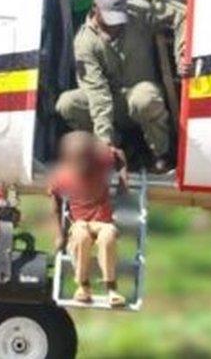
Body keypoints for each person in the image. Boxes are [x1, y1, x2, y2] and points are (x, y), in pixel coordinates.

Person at [56, 0, 188, 173]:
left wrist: (181, 53)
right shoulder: (84, 43)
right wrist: (105, 143)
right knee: (66, 104)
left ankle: (161, 153)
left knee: (145, 98)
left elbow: (181, 13)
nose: (115, 25)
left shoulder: (137, 10)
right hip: (111, 103)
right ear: (95, 9)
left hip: (141, 93)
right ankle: (122, 148)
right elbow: (97, 94)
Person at [48, 131, 129, 306]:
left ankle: (111, 287)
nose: (84, 165)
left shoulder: (103, 161)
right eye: (78, 160)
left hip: (103, 223)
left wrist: (123, 180)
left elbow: (120, 155)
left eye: (87, 158)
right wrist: (60, 234)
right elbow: (55, 203)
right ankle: (83, 285)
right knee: (80, 235)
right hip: (80, 223)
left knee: (108, 235)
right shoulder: (63, 175)